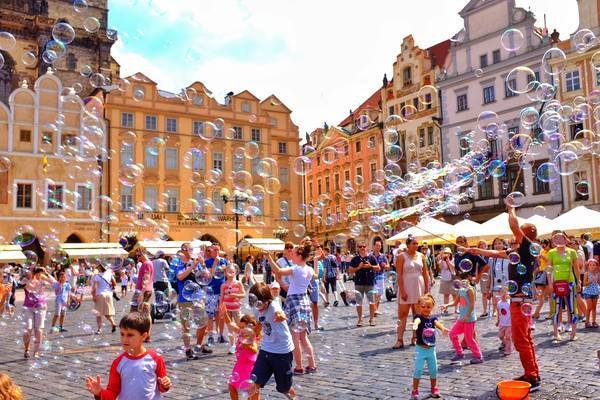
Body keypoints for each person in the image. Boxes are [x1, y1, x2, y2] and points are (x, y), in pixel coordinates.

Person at [85, 312, 172, 399]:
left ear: (144, 336)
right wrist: (100, 392)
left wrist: (165, 384)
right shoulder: (118, 363)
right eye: (122, 334)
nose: (124, 339)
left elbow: (162, 388)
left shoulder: (155, 358)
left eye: (130, 335)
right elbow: (112, 393)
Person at [266, 243, 317, 374]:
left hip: (295, 303)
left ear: (300, 256)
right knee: (303, 337)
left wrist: (269, 258)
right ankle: (312, 365)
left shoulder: (296, 269)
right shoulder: (309, 270)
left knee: (295, 337)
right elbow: (315, 275)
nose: (291, 256)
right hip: (305, 302)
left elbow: (278, 271)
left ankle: (299, 367)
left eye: (293, 254)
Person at [249, 282, 297, 399]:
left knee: (284, 388)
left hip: (282, 352)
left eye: (261, 303)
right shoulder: (256, 308)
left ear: (268, 299)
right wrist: (252, 334)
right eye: (256, 304)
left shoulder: (274, 305)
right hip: (266, 349)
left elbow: (279, 313)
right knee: (254, 383)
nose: (259, 307)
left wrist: (281, 316)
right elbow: (259, 324)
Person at [175, 246, 212, 358]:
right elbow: (180, 277)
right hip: (184, 299)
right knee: (186, 325)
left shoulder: (197, 262)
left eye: (191, 249)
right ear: (183, 251)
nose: (190, 251)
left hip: (198, 297)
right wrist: (192, 266)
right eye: (188, 249)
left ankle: (198, 345)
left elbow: (207, 277)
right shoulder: (179, 264)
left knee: (203, 321)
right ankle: (188, 349)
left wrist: (203, 264)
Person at [410, 294, 448, 400]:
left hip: (431, 350)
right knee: (418, 370)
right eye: (423, 307)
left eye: (428, 307)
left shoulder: (432, 318)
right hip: (421, 349)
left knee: (433, 370)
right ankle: (415, 390)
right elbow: (417, 321)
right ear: (418, 307)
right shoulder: (419, 317)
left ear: (432, 307)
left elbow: (437, 323)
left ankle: (433, 388)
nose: (426, 309)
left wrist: (443, 328)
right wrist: (415, 325)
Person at [393, 237, 428, 349]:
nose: (416, 245)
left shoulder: (421, 256)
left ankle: (415, 337)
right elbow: (399, 274)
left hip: (419, 287)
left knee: (417, 315)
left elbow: (425, 273)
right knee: (403, 314)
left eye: (417, 243)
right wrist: (402, 290)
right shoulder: (401, 256)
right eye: (414, 243)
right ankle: (399, 339)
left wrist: (427, 289)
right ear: (408, 245)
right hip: (406, 286)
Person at [440, 273, 483, 364]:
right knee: (452, 334)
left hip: (469, 319)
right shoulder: (460, 290)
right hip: (461, 318)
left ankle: (478, 356)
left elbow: (472, 304)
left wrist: (468, 315)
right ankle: (459, 353)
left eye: (465, 278)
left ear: (469, 279)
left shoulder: (470, 290)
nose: (463, 281)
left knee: (469, 338)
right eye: (461, 279)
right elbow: (456, 303)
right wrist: (447, 305)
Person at [548, 232, 581, 342]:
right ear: (553, 241)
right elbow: (549, 269)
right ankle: (556, 333)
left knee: (572, 306)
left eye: (561, 238)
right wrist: (550, 283)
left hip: (570, 282)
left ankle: (573, 333)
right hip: (556, 283)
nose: (558, 240)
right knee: (556, 308)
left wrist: (579, 281)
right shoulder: (551, 252)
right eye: (556, 239)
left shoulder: (572, 252)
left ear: (565, 240)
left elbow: (576, 268)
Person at [222, 312, 261, 400]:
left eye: (244, 327)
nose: (242, 330)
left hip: (249, 367)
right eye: (241, 327)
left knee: (251, 392)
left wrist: (247, 345)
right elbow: (230, 324)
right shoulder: (240, 333)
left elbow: (255, 349)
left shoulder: (252, 336)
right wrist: (224, 313)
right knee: (231, 387)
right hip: (240, 365)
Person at [22, 267, 56, 358]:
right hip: (28, 307)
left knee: (38, 329)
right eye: (31, 270)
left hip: (40, 306)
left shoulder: (42, 279)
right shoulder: (25, 280)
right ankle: (27, 349)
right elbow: (30, 288)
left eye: (34, 270)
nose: (32, 272)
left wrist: (46, 273)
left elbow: (54, 283)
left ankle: (36, 351)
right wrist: (33, 279)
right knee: (28, 329)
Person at [348, 241, 380, 327]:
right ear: (358, 248)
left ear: (366, 247)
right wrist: (358, 267)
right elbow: (350, 271)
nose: (362, 248)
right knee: (359, 303)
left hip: (370, 282)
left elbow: (378, 268)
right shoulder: (355, 259)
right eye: (360, 246)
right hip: (359, 283)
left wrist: (370, 266)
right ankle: (360, 320)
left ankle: (372, 319)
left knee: (371, 302)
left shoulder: (372, 257)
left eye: (364, 246)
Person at [205, 245, 229, 345]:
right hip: (211, 291)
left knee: (221, 314)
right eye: (214, 250)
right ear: (210, 251)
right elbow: (209, 276)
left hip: (222, 291)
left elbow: (228, 275)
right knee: (211, 315)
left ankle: (220, 334)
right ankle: (210, 336)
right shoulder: (207, 262)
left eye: (218, 250)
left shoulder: (224, 261)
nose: (217, 252)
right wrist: (215, 263)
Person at [220, 264, 246, 354]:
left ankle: (242, 343)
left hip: (236, 308)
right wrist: (221, 307)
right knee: (230, 327)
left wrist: (236, 295)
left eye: (232, 272)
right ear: (225, 273)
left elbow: (244, 294)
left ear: (235, 273)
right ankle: (233, 345)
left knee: (239, 326)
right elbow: (221, 297)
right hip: (227, 309)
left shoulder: (238, 283)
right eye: (228, 271)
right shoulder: (224, 285)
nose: (230, 273)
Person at [91, 263, 117, 335]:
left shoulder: (97, 276)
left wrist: (93, 296)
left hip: (100, 295)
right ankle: (113, 323)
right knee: (107, 313)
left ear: (100, 268)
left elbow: (94, 288)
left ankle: (99, 329)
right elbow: (114, 283)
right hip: (109, 295)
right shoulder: (109, 273)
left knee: (98, 314)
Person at [532, 239, 551, 321]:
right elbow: (540, 263)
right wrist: (538, 259)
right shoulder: (542, 251)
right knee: (540, 295)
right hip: (541, 272)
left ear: (548, 244)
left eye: (545, 244)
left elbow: (550, 262)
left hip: (548, 273)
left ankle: (551, 312)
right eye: (542, 244)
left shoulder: (551, 252)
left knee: (549, 295)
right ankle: (537, 312)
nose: (543, 246)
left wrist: (543, 257)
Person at [437, 247, 457, 315]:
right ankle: (445, 309)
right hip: (444, 279)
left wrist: (448, 261)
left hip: (453, 278)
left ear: (450, 254)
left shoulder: (453, 259)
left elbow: (453, 267)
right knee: (446, 295)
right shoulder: (441, 260)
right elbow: (440, 267)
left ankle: (456, 309)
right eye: (445, 253)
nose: (446, 254)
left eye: (447, 253)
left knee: (455, 294)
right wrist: (443, 260)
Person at [372, 241, 389, 315]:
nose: (378, 247)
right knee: (375, 293)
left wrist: (385, 265)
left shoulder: (383, 256)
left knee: (379, 294)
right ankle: (374, 309)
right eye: (377, 245)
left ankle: (376, 309)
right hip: (372, 277)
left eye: (379, 246)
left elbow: (388, 267)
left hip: (380, 277)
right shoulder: (370, 256)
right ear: (374, 246)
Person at [583, 258, 599, 328]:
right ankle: (587, 322)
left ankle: (594, 321)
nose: (592, 266)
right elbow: (584, 284)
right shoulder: (586, 273)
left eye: (594, 265)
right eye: (590, 265)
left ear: (596, 266)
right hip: (588, 292)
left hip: (595, 291)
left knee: (594, 308)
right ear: (588, 266)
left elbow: (598, 282)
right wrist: (589, 282)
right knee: (589, 307)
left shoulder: (598, 273)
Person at [496, 288, 512, 356]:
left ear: (508, 294)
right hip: (502, 323)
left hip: (509, 323)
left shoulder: (509, 303)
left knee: (508, 337)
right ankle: (505, 343)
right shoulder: (499, 303)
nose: (503, 295)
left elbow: (512, 313)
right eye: (501, 293)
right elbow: (499, 313)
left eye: (505, 293)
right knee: (500, 336)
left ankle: (508, 350)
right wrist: (498, 321)